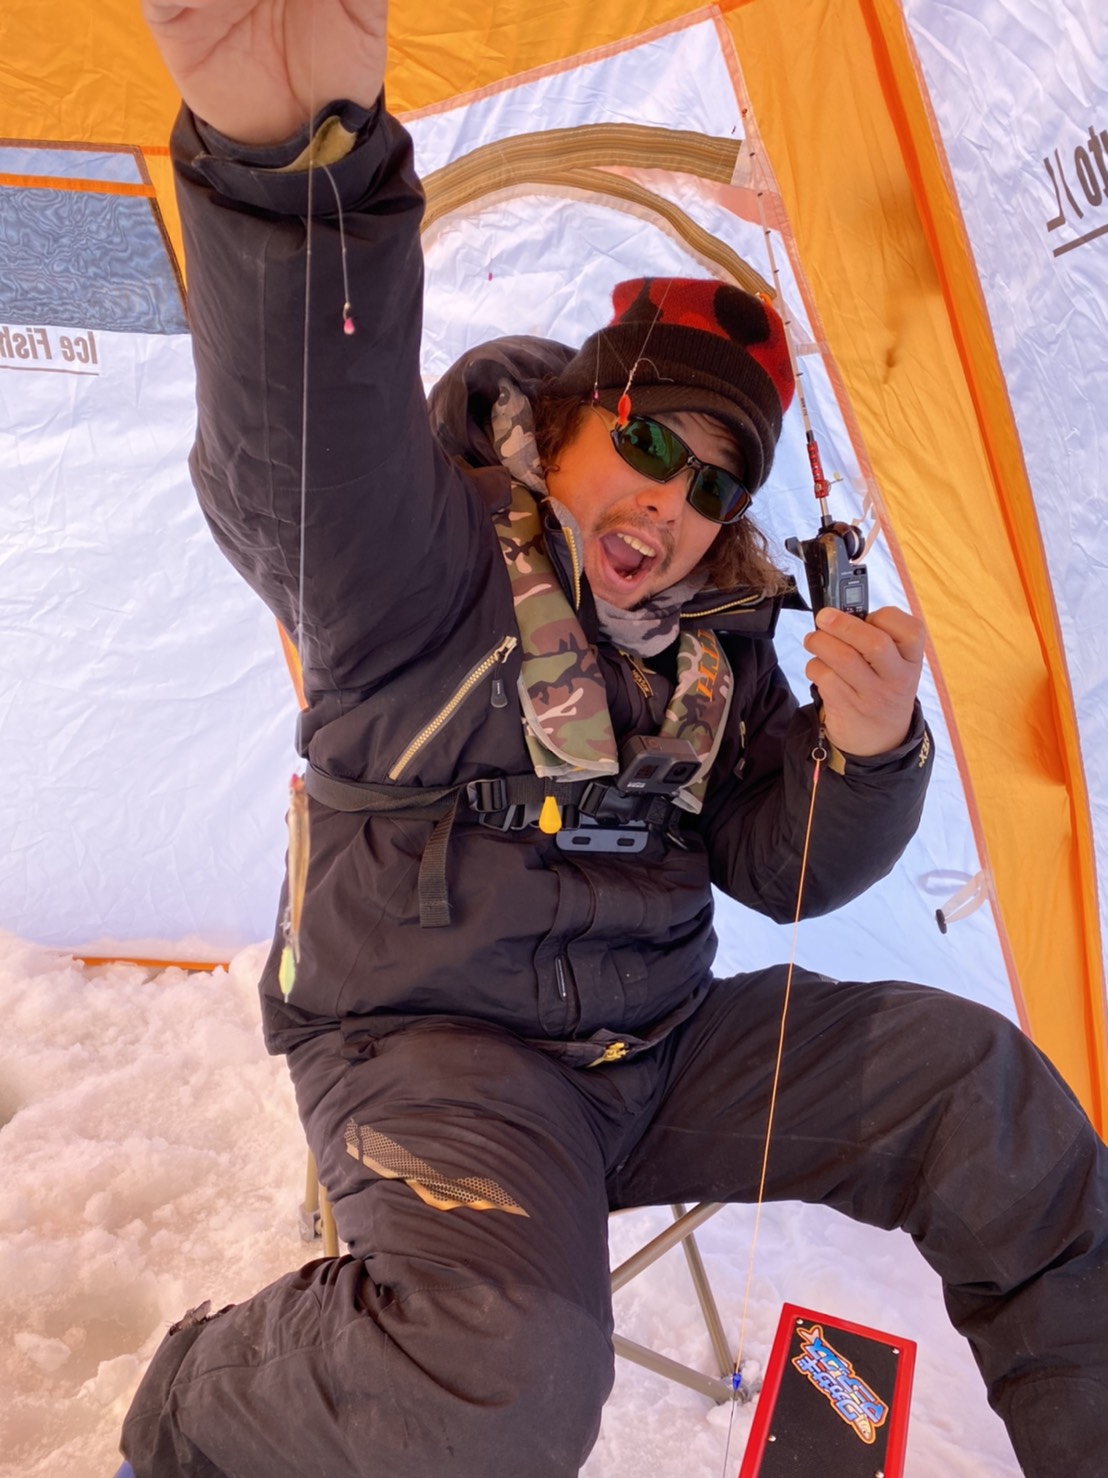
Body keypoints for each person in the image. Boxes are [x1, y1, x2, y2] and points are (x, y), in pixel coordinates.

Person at [123, 3, 1108, 1475]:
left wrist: (870, 753)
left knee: (987, 1096)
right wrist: (293, 172)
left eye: (714, 487)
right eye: (649, 442)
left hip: (661, 1044)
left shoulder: (717, 646)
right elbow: (308, 450)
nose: (671, 503)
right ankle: (201, 1395)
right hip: (446, 1053)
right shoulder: (427, 558)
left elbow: (776, 865)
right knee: (502, 1378)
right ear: (572, 417)